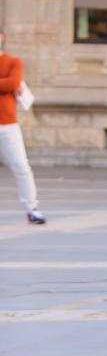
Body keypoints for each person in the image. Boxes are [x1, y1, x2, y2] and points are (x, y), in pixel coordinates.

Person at [0, 30, 45, 225]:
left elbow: (14, 83)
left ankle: (32, 208)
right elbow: (8, 84)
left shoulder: (13, 61)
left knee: (21, 166)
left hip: (8, 124)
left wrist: (9, 84)